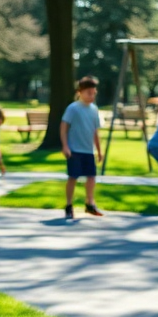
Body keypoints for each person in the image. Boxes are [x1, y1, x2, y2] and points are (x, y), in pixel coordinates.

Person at [60, 76, 104, 220]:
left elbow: (95, 131)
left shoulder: (94, 109)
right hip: (74, 150)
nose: (91, 96)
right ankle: (68, 205)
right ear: (80, 92)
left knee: (91, 178)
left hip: (88, 150)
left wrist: (99, 150)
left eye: (93, 93)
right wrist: (65, 146)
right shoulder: (73, 108)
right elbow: (63, 127)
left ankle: (90, 203)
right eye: (88, 93)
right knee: (73, 177)